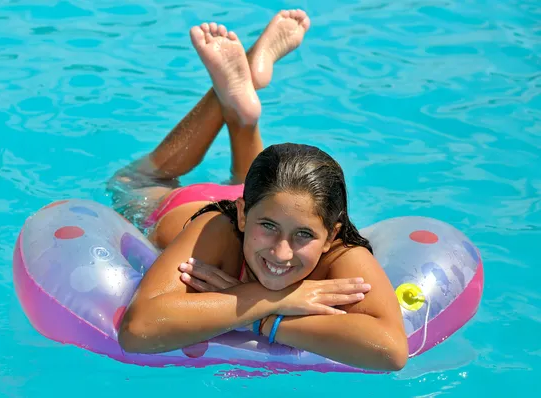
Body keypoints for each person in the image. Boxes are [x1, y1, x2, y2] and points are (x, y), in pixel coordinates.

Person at [109, 10, 408, 371]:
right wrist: (273, 298)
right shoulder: (217, 231)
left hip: (270, 200)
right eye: (269, 229)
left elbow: (390, 351)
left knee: (258, 184)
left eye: (303, 235)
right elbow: (138, 330)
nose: (282, 253)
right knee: (137, 181)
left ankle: (242, 110)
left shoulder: (341, 255)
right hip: (177, 207)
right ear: (241, 214)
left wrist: (261, 317)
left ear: (331, 235)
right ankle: (238, 101)